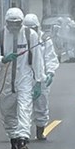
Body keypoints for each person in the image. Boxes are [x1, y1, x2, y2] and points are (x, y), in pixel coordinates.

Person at [0, 7, 45, 149]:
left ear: (22, 22)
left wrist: (39, 81)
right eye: (11, 23)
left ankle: (23, 140)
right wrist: (3, 59)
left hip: (24, 78)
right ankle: (13, 138)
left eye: (17, 23)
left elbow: (38, 59)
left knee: (24, 108)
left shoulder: (30, 35)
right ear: (6, 22)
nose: (14, 26)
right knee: (7, 111)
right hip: (5, 81)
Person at [24, 13, 59, 141]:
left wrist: (50, 73)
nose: (31, 32)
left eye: (33, 28)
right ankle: (24, 134)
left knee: (41, 105)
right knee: (23, 106)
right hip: (24, 77)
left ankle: (40, 130)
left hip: (41, 77)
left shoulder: (44, 40)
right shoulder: (21, 39)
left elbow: (50, 57)